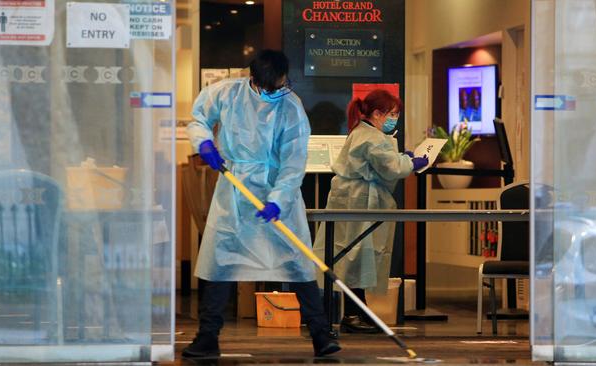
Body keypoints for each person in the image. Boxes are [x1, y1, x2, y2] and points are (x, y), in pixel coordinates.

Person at [183, 50, 341, 358]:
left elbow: (294, 163)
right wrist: (203, 142)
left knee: (297, 261)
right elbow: (199, 117)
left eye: (281, 86)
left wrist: (278, 200)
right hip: (235, 191)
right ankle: (207, 337)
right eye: (269, 88)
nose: (276, 93)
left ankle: (321, 335)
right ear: (253, 79)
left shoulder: (291, 106)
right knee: (220, 262)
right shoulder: (227, 92)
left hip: (277, 191)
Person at [313, 90, 428, 333]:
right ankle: (354, 315)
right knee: (354, 258)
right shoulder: (370, 137)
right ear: (377, 113)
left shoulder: (363, 132)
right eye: (392, 114)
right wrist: (412, 162)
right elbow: (392, 166)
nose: (394, 119)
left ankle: (359, 312)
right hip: (358, 203)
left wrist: (401, 157)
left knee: (353, 259)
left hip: (354, 201)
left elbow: (383, 162)